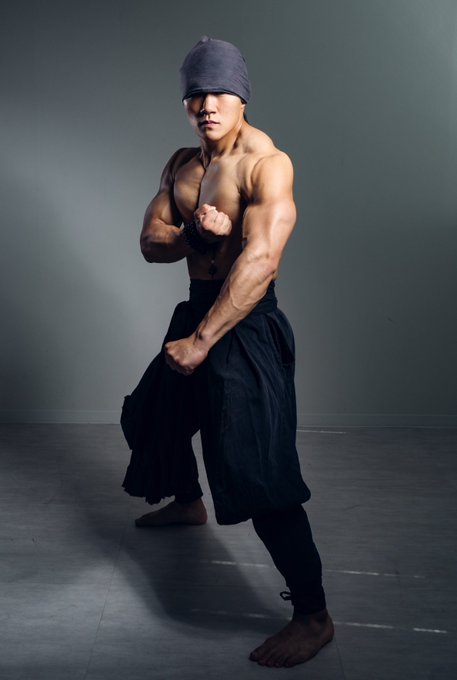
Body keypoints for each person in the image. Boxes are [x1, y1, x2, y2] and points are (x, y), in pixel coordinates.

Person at [121, 36, 334, 668]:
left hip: (246, 324)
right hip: (197, 307)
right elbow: (150, 243)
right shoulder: (181, 165)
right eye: (196, 94)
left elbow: (261, 261)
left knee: (260, 474)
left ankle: (314, 615)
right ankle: (190, 503)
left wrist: (202, 341)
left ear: (242, 97)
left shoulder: (266, 164)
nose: (207, 104)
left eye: (219, 92)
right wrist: (193, 232)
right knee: (147, 416)